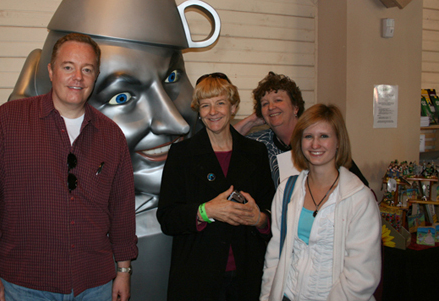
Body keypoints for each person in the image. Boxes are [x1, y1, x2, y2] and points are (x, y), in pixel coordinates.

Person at [0, 32, 138, 301]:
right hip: (24, 284)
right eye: (68, 67)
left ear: (95, 77)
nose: (77, 77)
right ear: (51, 71)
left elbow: (123, 209)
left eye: (87, 69)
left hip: (95, 285)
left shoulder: (111, 136)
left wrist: (124, 271)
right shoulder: (8, 121)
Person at [157, 73, 275, 300]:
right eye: (205, 105)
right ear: (198, 112)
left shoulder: (255, 153)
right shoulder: (181, 154)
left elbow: (271, 212)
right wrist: (205, 211)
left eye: (220, 103)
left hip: (247, 275)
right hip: (197, 277)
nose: (213, 112)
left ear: (233, 107)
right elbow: (167, 217)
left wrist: (259, 219)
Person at [260, 104, 381, 301]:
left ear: (339, 142)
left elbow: (362, 276)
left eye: (324, 136)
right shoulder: (287, 191)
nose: (315, 144)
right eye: (308, 137)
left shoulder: (359, 198)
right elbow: (274, 256)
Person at [234, 71, 368, 188]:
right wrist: (251, 121)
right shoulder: (261, 141)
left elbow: (359, 184)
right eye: (265, 104)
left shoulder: (315, 138)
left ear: (295, 107)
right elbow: (223, 142)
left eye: (278, 100)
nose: (271, 107)